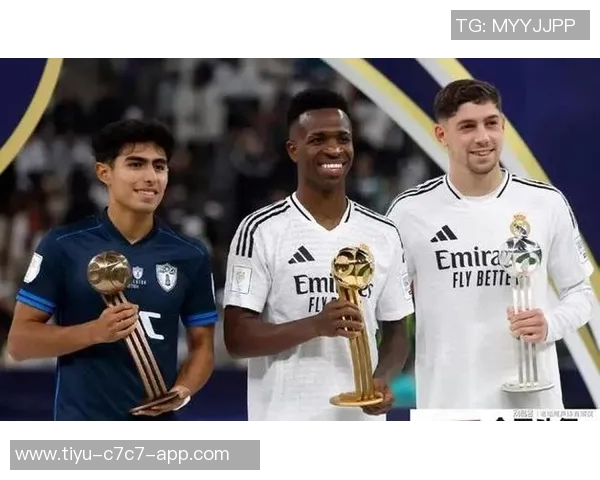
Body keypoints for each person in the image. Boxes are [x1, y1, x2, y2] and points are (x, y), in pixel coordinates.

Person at [386, 78, 595, 410]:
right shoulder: (409, 212)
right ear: (441, 135)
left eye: (491, 123)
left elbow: (581, 293)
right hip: (450, 404)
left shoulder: (546, 203)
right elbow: (386, 305)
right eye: (467, 126)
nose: (483, 137)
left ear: (503, 126)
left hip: (533, 404)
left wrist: (550, 324)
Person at [222, 88, 414, 421]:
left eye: (343, 138)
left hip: (362, 429)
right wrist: (316, 325)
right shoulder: (260, 230)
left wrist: (382, 378)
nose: (334, 149)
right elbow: (237, 338)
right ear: (293, 150)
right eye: (318, 139)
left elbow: (397, 330)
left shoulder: (383, 232)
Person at [7, 119, 218, 421]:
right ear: (103, 172)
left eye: (159, 167)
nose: (151, 177)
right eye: (136, 164)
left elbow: (202, 346)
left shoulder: (190, 254)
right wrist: (95, 332)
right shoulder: (63, 245)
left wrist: (183, 391)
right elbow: (19, 343)